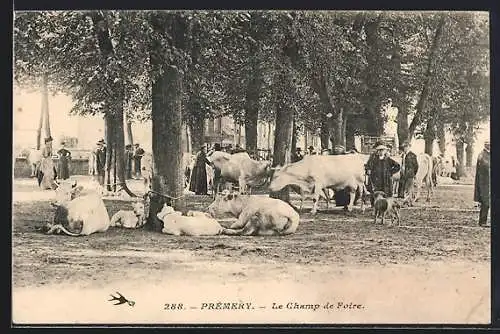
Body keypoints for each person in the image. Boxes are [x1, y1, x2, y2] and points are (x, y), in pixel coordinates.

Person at [474, 140, 490, 227]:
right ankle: (482, 221)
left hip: (488, 182)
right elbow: (485, 168)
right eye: (488, 145)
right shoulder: (482, 156)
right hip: (484, 182)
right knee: (485, 202)